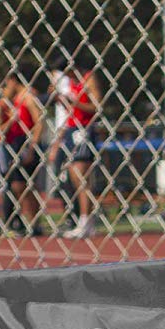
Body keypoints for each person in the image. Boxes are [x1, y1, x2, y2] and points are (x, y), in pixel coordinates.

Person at [0, 70, 44, 236]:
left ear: (13, 80)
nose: (5, 89)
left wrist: (32, 146)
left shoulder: (27, 97)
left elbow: (39, 122)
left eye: (7, 84)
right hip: (16, 144)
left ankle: (35, 222)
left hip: (26, 143)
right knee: (18, 185)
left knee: (24, 184)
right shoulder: (14, 101)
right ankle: (30, 221)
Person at [59, 58, 104, 238]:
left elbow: (97, 106)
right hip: (72, 128)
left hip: (84, 129)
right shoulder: (72, 82)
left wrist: (74, 103)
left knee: (81, 174)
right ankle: (82, 218)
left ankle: (87, 220)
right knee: (73, 176)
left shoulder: (89, 79)